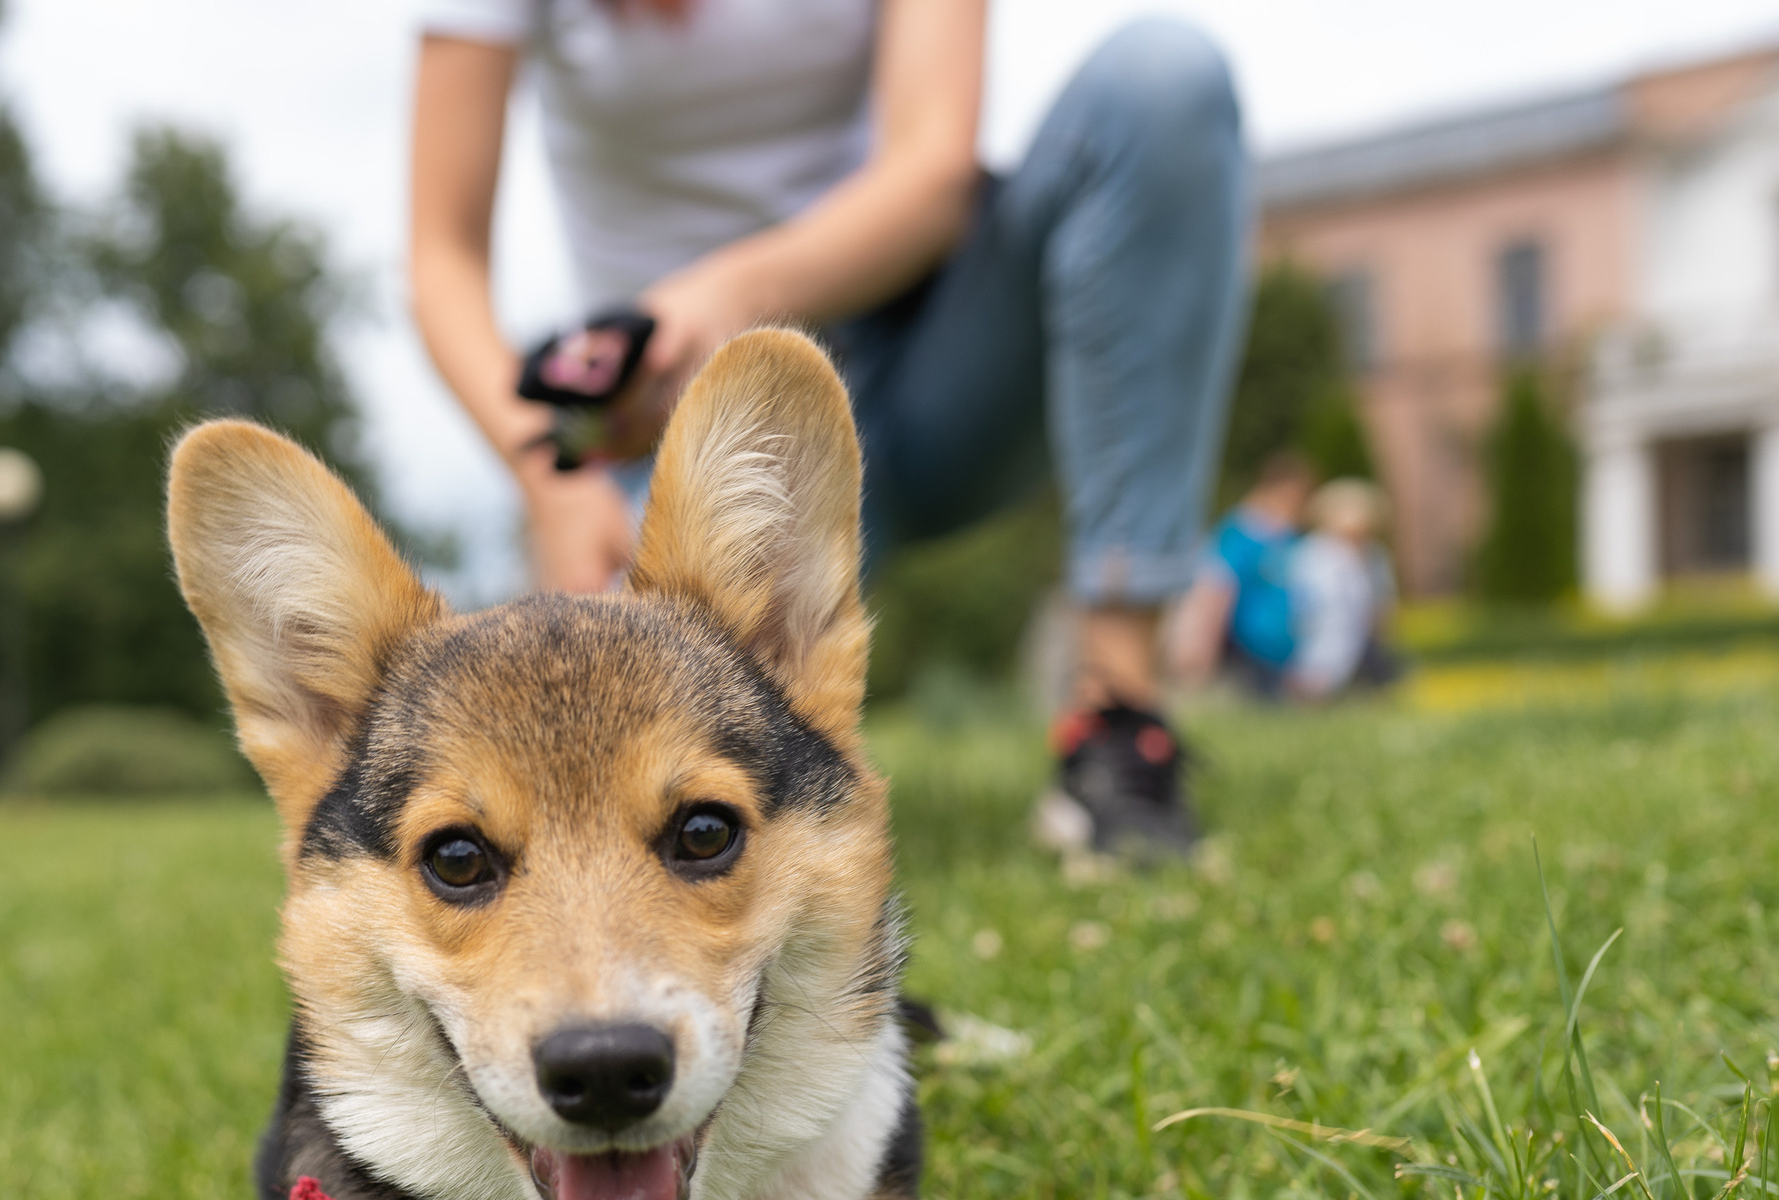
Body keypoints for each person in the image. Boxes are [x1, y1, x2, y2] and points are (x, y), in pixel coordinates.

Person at [407, 0, 1250, 859]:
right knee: (620, 746)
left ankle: (1119, 723)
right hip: (660, 434)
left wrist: (729, 298)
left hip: (936, 371)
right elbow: (441, 256)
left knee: (1161, 79)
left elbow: (933, 170)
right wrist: (551, 477)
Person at [1167, 449, 1312, 697]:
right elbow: (1215, 591)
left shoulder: (1287, 536)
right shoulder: (1241, 533)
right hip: (1250, 648)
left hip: (1282, 653)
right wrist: (1198, 650)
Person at [1283, 477, 1397, 701]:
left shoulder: (1376, 556)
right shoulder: (1314, 553)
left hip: (1362, 640)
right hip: (1316, 640)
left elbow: (1382, 603)